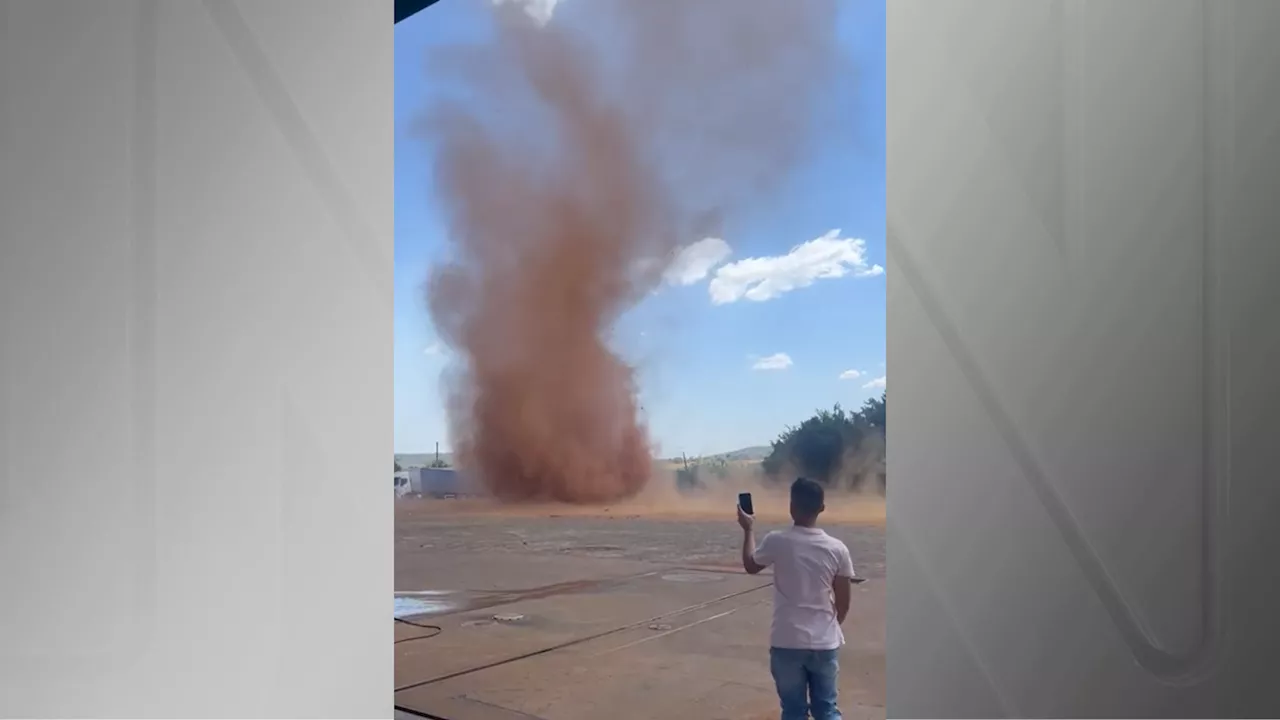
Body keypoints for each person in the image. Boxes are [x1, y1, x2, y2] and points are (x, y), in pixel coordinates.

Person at [738, 477, 856, 720]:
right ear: (821, 508)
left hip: (787, 640)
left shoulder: (777, 540)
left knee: (793, 711)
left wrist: (748, 529)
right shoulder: (838, 549)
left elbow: (751, 565)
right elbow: (843, 602)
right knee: (827, 709)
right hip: (824, 642)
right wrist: (828, 627)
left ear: (791, 506)